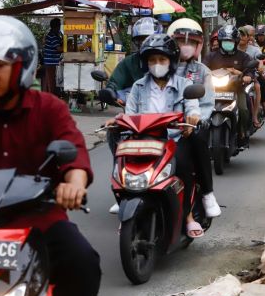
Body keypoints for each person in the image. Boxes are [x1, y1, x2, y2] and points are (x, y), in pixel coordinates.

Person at [0, 16, 101, 296]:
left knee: (82, 262)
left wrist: (74, 184)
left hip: (36, 221)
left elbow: (74, 151)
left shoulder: (49, 109)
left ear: (21, 66)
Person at [109, 34, 205, 238]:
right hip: (142, 139)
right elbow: (130, 113)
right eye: (152, 60)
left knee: (185, 167)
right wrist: (118, 120)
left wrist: (193, 117)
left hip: (173, 139)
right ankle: (127, 213)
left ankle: (187, 217)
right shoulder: (138, 86)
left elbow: (193, 107)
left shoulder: (183, 84)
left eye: (161, 60)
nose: (156, 64)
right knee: (120, 167)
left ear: (171, 61)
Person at [168, 17, 221, 218]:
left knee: (197, 142)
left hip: (190, 127)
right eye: (181, 41)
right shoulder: (162, 68)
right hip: (162, 126)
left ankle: (207, 193)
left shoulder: (202, 72)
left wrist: (197, 119)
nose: (186, 46)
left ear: (199, 45)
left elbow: (207, 104)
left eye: (191, 42)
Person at [203, 25, 256, 147]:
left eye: (230, 41)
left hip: (236, 89)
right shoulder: (211, 56)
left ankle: (243, 132)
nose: (228, 43)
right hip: (213, 90)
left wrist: (247, 76)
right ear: (220, 42)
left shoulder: (243, 56)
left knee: (243, 108)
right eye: (225, 41)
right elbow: (203, 69)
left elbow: (249, 70)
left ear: (236, 42)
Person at [106, 17, 163, 105]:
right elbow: (115, 83)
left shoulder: (171, 62)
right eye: (141, 40)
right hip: (135, 109)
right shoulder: (129, 62)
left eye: (150, 39)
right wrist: (110, 92)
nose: (145, 43)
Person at [237, 26, 264, 128]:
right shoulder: (232, 50)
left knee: (257, 87)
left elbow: (260, 62)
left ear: (248, 37)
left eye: (243, 35)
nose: (241, 37)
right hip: (233, 79)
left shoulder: (254, 50)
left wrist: (260, 66)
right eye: (239, 35)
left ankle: (254, 116)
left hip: (250, 77)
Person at [41, 18, 63, 95]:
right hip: (51, 63)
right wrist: (67, 48)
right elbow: (59, 48)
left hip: (53, 62)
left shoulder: (56, 35)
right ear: (56, 26)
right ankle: (50, 98)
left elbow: (60, 44)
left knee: (50, 81)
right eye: (59, 25)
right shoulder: (52, 36)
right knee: (51, 82)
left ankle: (49, 97)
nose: (60, 27)